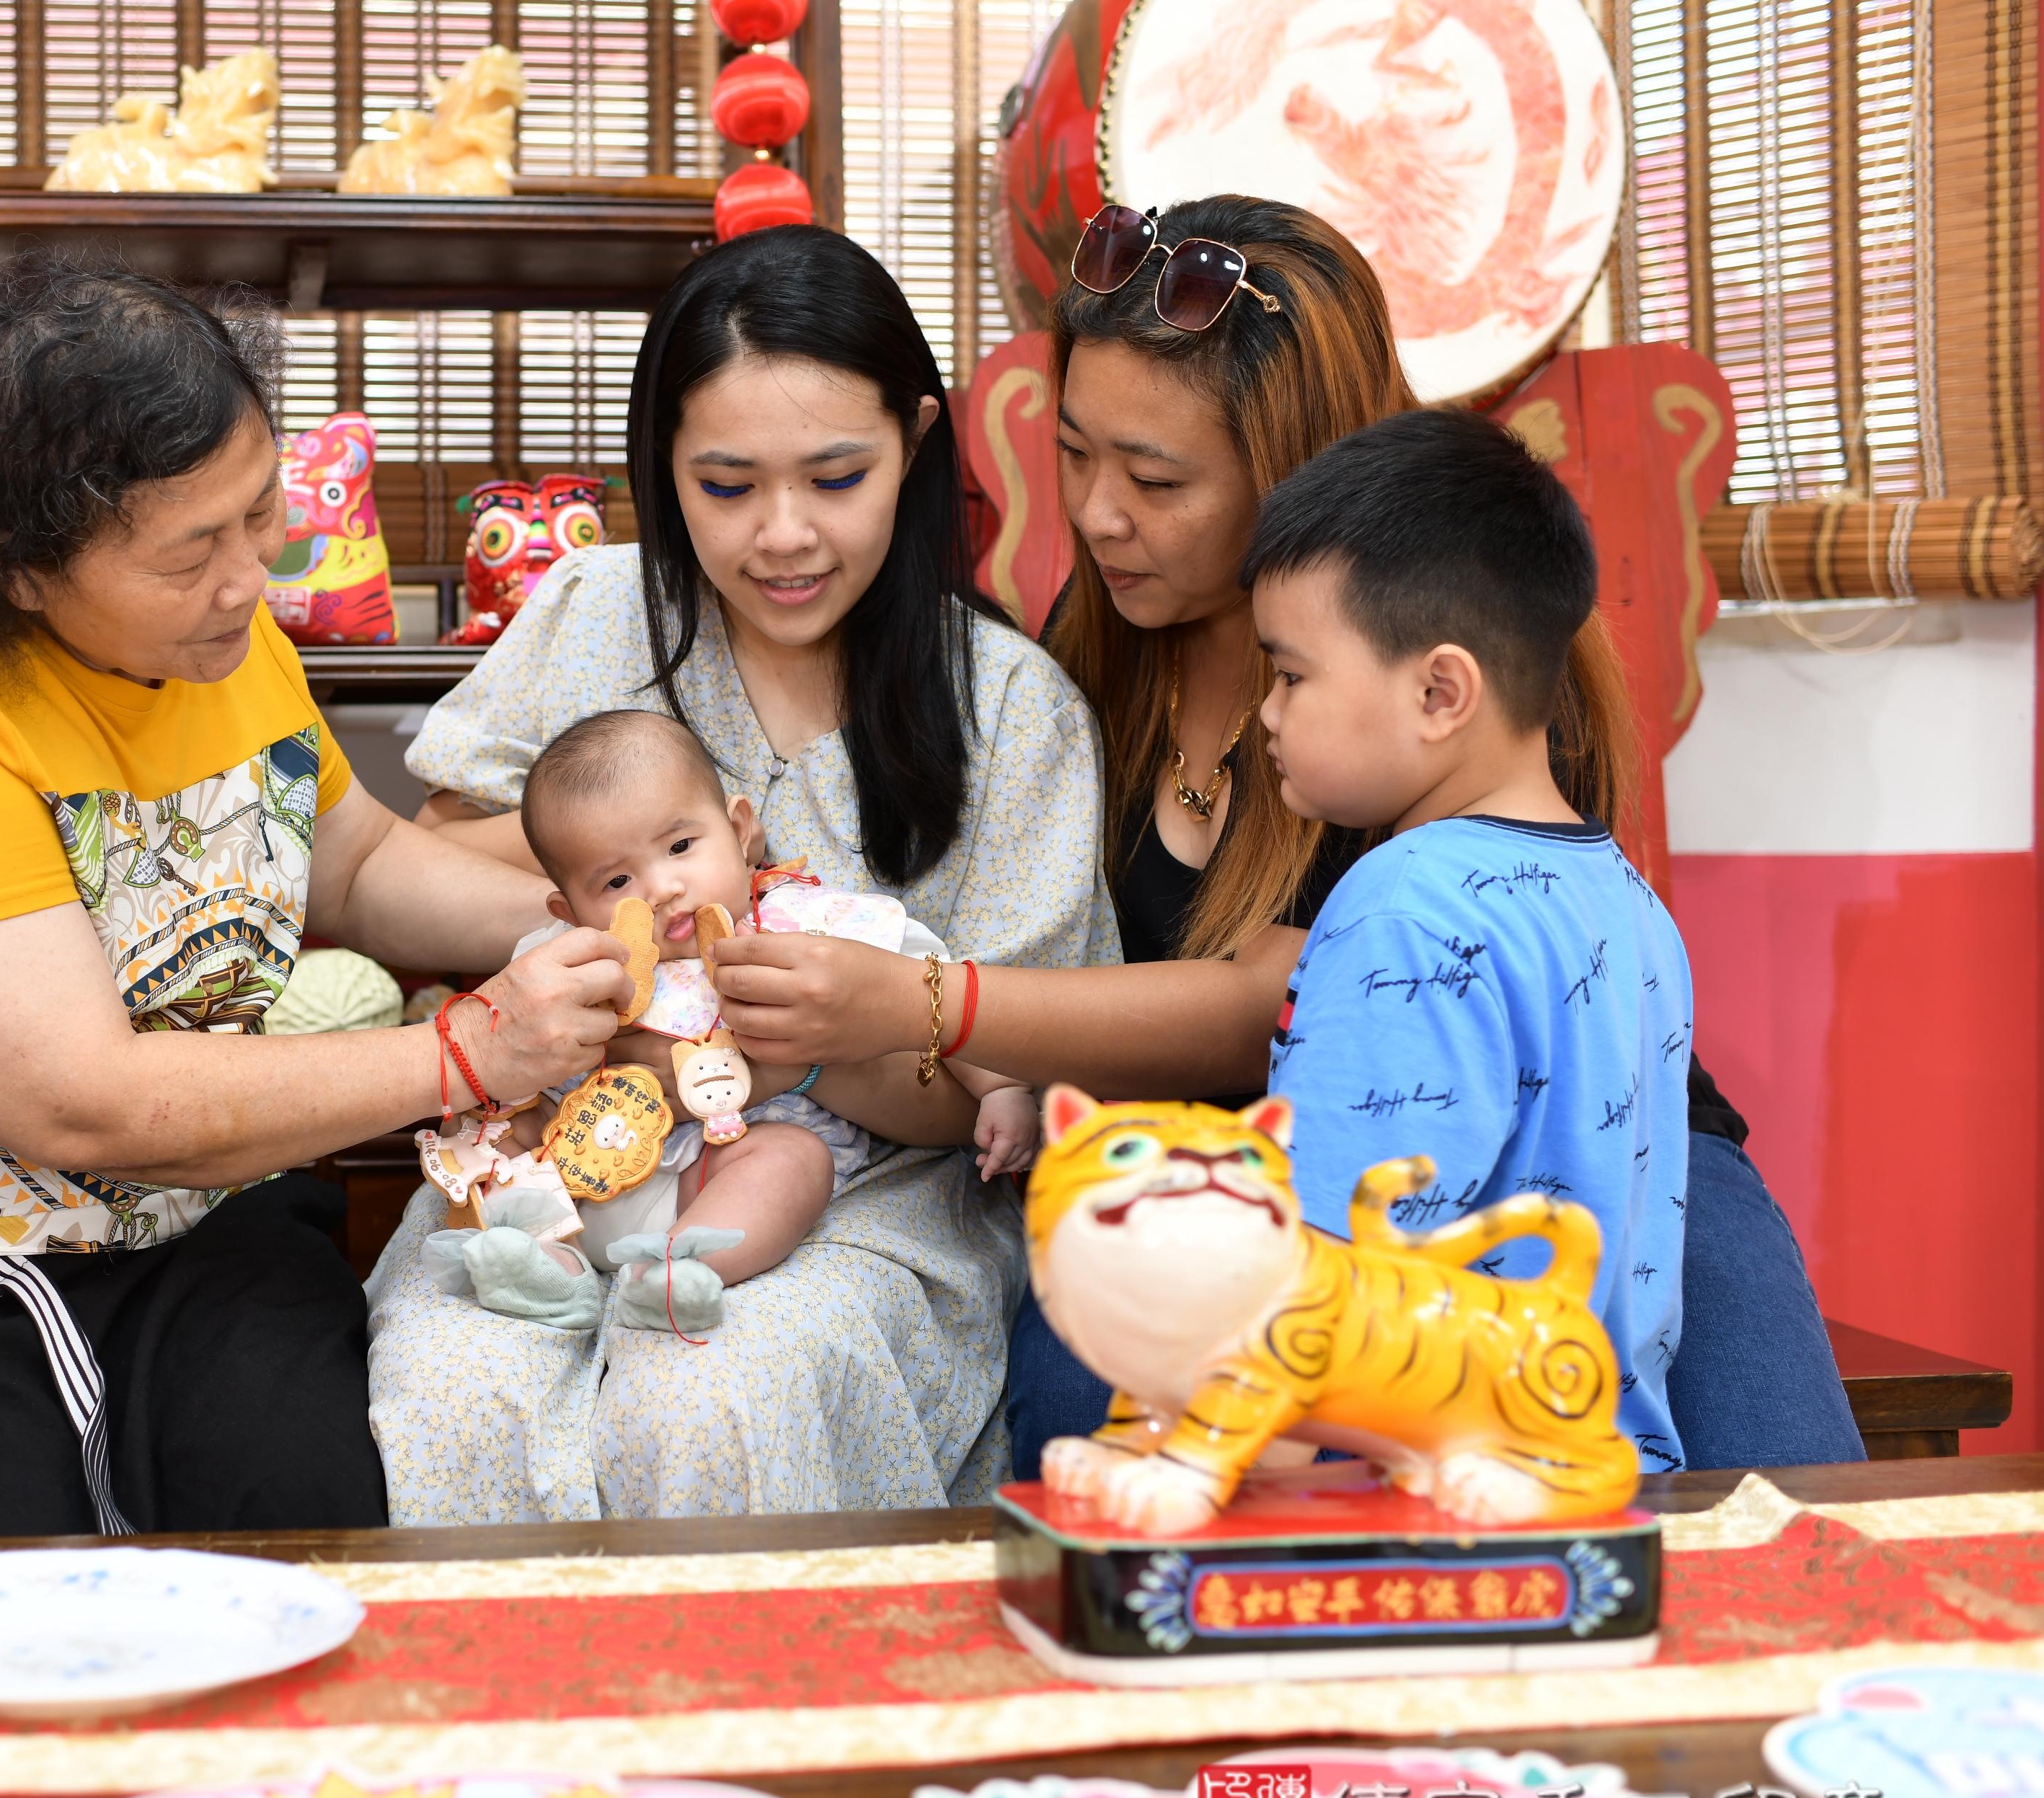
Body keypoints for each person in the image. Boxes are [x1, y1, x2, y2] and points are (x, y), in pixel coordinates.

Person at [707, 194, 1862, 1476]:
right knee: (1117, 1439)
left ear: (1299, 472)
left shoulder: (1435, 676)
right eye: (1077, 454)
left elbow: (1276, 995)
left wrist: (929, 1002)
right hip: (1229, 1197)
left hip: (1597, 1162)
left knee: (1783, 1526)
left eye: (1154, 479)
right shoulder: (1074, 676)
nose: (1096, 515)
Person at [0, 259, 632, 1542]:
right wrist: (467, 1052)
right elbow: (78, 1098)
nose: (250, 576)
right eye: (190, 552)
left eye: (258, 512)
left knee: (297, 1507)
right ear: (17, 569)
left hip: (197, 1212)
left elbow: (351, 865)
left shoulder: (226, 639)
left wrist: (596, 925)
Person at [369, 224, 1120, 1523]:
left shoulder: (1005, 706)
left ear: (918, 443)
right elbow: (433, 861)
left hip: (861, 1188)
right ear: (663, 466)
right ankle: (489, 1726)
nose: (783, 536)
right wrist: (616, 911)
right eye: (725, 486)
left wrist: (818, 1051)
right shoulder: (598, 612)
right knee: (452, 1385)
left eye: (837, 477)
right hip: (571, 1149)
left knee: (709, 1392)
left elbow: (1022, 1087)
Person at [1250, 408, 1695, 1466]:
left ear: (1440, 691)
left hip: (1422, 1523)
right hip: (1599, 1487)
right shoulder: (1630, 904)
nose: (1265, 714)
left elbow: (1314, 1312)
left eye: (1291, 674)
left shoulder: (1402, 908)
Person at [444, 709, 1041, 1339]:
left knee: (791, 1159)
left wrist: (999, 1089)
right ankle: (544, 1263)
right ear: (569, 909)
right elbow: (505, 1040)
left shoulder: (805, 925)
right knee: (494, 1128)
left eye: (680, 847)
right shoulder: (571, 957)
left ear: (740, 830)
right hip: (580, 1172)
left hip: (719, 1173)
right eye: (617, 880)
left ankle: (676, 1274)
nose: (661, 888)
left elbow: (934, 989)